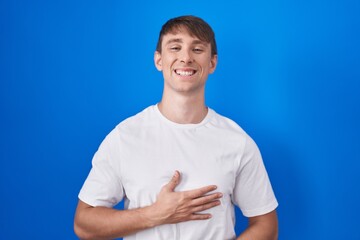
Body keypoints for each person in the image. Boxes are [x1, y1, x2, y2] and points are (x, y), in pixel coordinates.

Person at [74, 15, 278, 240]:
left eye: (197, 49)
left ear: (212, 63)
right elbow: (84, 224)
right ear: (159, 60)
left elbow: (266, 224)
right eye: (175, 47)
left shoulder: (237, 142)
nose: (186, 58)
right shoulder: (125, 137)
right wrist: (155, 214)